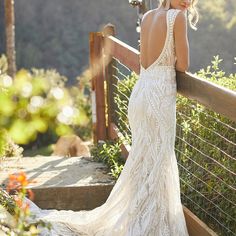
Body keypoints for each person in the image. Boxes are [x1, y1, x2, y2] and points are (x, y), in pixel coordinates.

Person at [27, 0, 199, 235]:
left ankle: (141, 221)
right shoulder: (177, 19)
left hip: (141, 94)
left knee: (144, 161)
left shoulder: (148, 17)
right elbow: (184, 65)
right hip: (159, 97)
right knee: (159, 162)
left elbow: (144, 61)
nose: (187, 2)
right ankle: (151, 226)